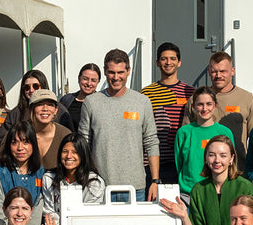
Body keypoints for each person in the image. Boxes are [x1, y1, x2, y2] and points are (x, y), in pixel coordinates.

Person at [78, 49, 160, 202]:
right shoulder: (91, 102)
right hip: (99, 188)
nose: (116, 77)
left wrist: (155, 181)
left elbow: (151, 141)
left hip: (135, 188)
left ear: (128, 71)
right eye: (111, 72)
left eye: (120, 72)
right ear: (104, 72)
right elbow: (83, 145)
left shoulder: (142, 102)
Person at [141, 43, 195, 186]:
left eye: (172, 58)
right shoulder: (146, 93)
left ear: (179, 62)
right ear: (157, 63)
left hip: (180, 161)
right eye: (164, 59)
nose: (168, 62)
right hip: (152, 163)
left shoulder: (190, 93)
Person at [173, 86, 234, 198]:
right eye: (200, 104)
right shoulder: (184, 132)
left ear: (215, 105)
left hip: (218, 192)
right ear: (193, 106)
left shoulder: (225, 132)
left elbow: (231, 163)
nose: (204, 108)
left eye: (209, 104)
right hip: (189, 193)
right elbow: (179, 163)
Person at [0, 70, 73, 156]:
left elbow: (70, 139)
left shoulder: (60, 109)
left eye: (35, 86)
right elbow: (3, 142)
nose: (31, 90)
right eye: (27, 87)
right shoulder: (16, 113)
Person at [0, 122, 46, 225]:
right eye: (14, 143)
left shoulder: (39, 172)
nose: (20, 148)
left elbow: (36, 213)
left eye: (26, 142)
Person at [41, 133, 105, 224]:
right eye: (65, 151)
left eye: (75, 152)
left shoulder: (94, 183)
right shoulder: (49, 178)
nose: (69, 156)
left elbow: (91, 216)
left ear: (83, 155)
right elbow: (49, 211)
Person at [208, 51, 253, 143]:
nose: (218, 75)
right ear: (209, 72)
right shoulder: (197, 100)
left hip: (237, 157)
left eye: (223, 71)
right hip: (202, 157)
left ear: (232, 71)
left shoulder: (248, 99)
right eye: (214, 71)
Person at [28, 89, 72, 170]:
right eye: (40, 104)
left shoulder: (65, 135)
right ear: (31, 109)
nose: (45, 108)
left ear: (56, 110)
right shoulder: (20, 133)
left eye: (50, 105)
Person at [60, 63, 101, 133]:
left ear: (98, 82)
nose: (89, 83)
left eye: (93, 80)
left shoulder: (101, 103)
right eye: (85, 79)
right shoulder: (66, 101)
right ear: (79, 79)